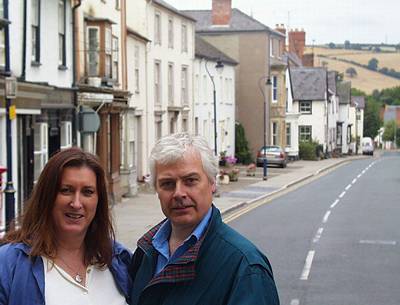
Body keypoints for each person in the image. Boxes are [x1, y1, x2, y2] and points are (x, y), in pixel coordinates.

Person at [129, 133, 279, 305]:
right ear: (156, 189)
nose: (179, 193)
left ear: (212, 182)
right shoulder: (144, 253)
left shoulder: (246, 267)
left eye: (190, 180)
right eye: (167, 184)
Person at [0, 147, 131, 305]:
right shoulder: (9, 264)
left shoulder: (119, 259)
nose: (76, 203)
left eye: (87, 192)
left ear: (99, 200)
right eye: (66, 190)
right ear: (47, 196)